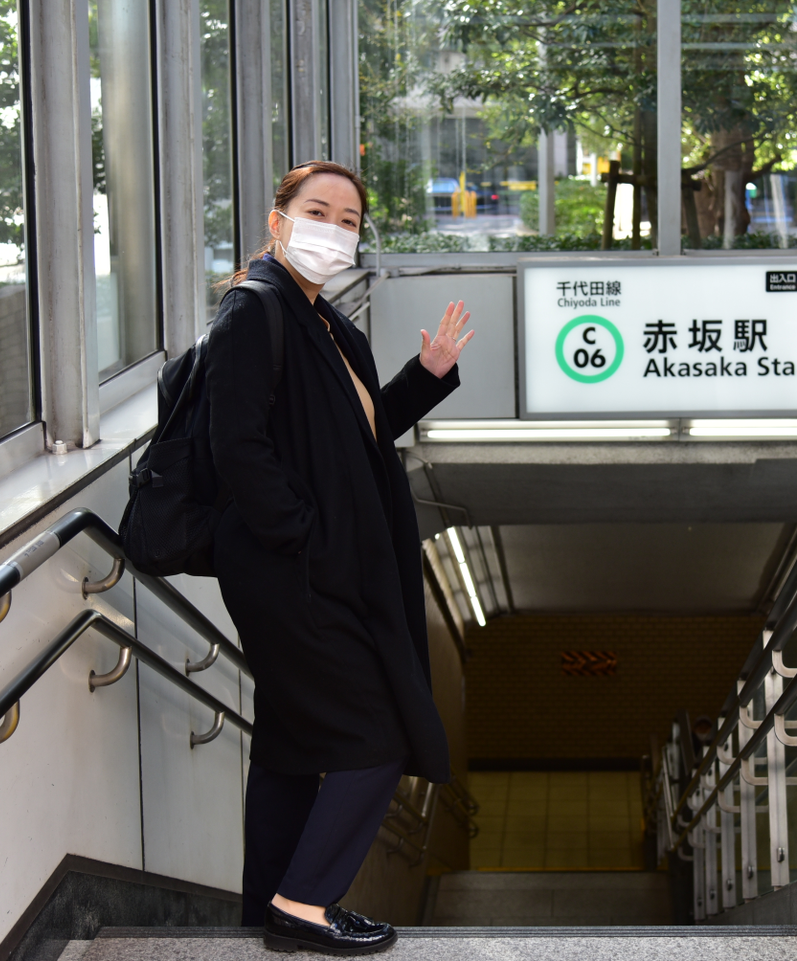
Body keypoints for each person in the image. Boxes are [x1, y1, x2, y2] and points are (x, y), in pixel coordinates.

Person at [205, 160, 474, 955]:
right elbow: (237, 446)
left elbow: (358, 436)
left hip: (320, 566)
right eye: (317, 211)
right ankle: (304, 904)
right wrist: (305, 539)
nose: (333, 230)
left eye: (349, 220)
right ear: (278, 219)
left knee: (292, 745)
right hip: (292, 574)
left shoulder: (326, 321)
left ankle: (266, 907)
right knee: (377, 735)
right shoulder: (254, 308)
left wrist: (425, 377)